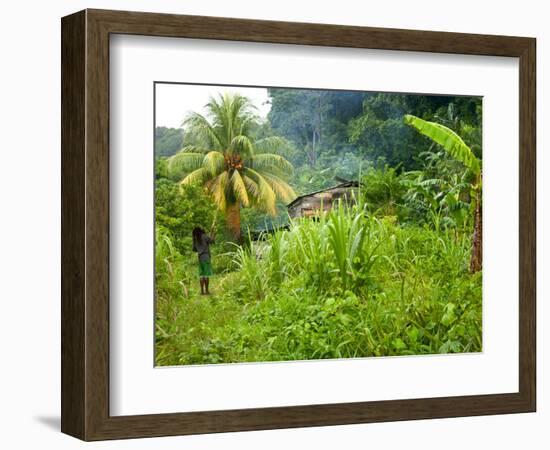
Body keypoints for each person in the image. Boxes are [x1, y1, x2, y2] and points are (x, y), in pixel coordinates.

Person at [192, 227, 215, 295]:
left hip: (200, 258)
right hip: (206, 257)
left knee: (201, 275)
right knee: (206, 275)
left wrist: (200, 248)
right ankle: (207, 291)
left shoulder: (195, 239)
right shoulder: (204, 236)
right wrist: (213, 233)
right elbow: (212, 241)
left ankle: (202, 291)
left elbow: (194, 249)